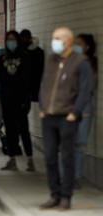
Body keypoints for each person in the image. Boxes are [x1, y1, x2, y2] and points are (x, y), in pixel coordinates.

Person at [39, 27, 91, 210]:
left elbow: (85, 90)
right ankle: (54, 194)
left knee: (67, 157)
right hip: (49, 116)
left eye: (58, 39)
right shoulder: (51, 60)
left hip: (67, 117)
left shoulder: (80, 62)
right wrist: (42, 108)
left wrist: (74, 113)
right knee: (50, 158)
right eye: (54, 38)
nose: (55, 42)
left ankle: (66, 197)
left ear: (68, 41)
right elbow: (44, 84)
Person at [0, 30, 34, 171]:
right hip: (6, 99)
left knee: (23, 128)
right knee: (10, 130)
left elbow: (24, 78)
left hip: (21, 99)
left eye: (13, 39)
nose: (11, 42)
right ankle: (11, 159)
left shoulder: (24, 57)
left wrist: (10, 81)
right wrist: (11, 81)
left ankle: (30, 159)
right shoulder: (2, 59)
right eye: (9, 39)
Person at [72, 33, 97, 189]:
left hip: (84, 109)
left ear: (87, 47)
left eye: (79, 44)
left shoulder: (91, 64)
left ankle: (76, 177)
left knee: (79, 144)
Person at [20, 29, 44, 102]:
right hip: (32, 80)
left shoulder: (21, 50)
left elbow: (41, 68)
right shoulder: (39, 51)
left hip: (33, 80)